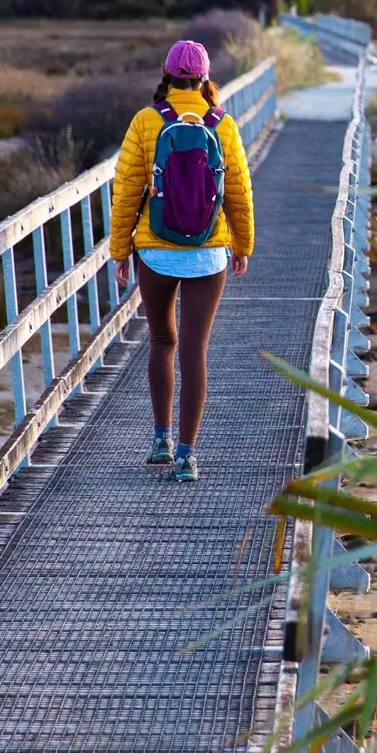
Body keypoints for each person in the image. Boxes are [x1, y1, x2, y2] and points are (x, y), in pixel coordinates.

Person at [109, 40, 254, 482]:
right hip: (208, 251)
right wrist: (243, 246)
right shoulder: (222, 123)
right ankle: (188, 456)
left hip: (154, 250)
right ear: (206, 78)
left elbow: (127, 190)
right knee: (195, 352)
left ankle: (160, 440)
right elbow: (239, 192)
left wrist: (120, 251)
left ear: (166, 74)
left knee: (161, 343)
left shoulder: (146, 122)